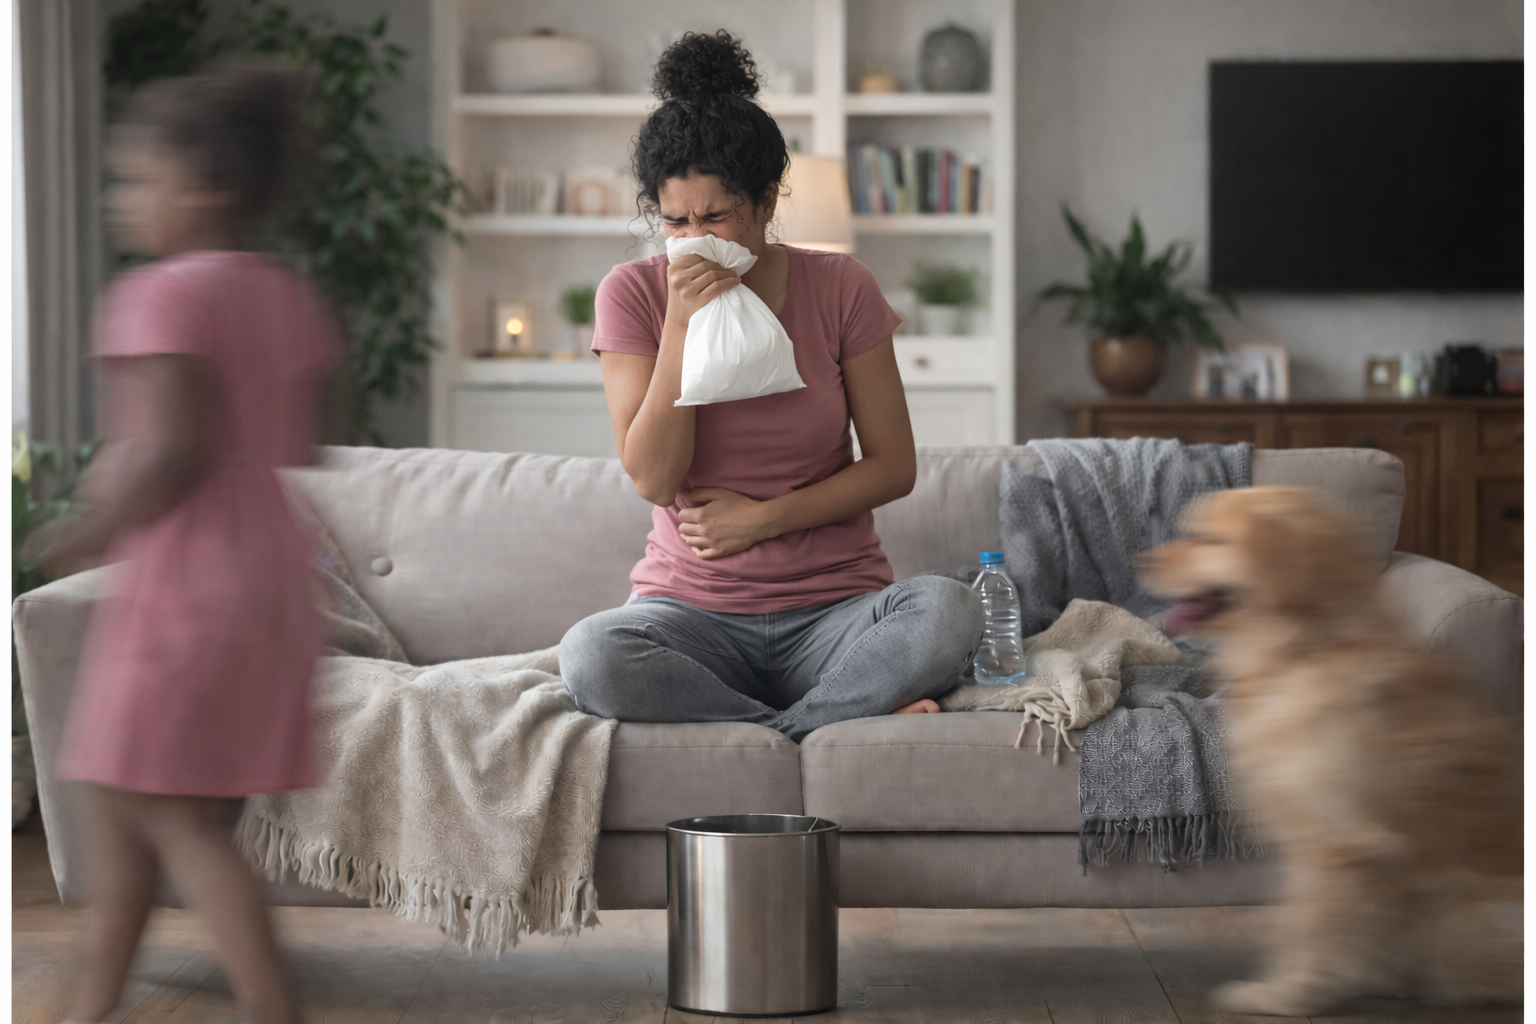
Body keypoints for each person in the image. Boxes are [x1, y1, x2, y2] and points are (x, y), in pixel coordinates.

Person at [559, 31, 984, 742]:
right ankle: (813, 725)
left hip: (835, 615)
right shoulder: (632, 294)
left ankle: (783, 726)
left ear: (764, 202)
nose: (695, 237)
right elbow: (655, 479)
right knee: (590, 657)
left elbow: (894, 466)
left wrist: (765, 519)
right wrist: (681, 327)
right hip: (690, 617)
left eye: (716, 217)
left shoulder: (841, 287)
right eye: (675, 222)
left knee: (951, 610)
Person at [27, 65, 340, 1024]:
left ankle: (271, 1004)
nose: (124, 200)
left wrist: (88, 525)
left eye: (136, 178)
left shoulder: (157, 295)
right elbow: (307, 436)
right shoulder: (284, 296)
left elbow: (170, 449)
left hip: (187, 590)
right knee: (130, 818)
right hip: (273, 581)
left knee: (174, 820)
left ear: (202, 183)